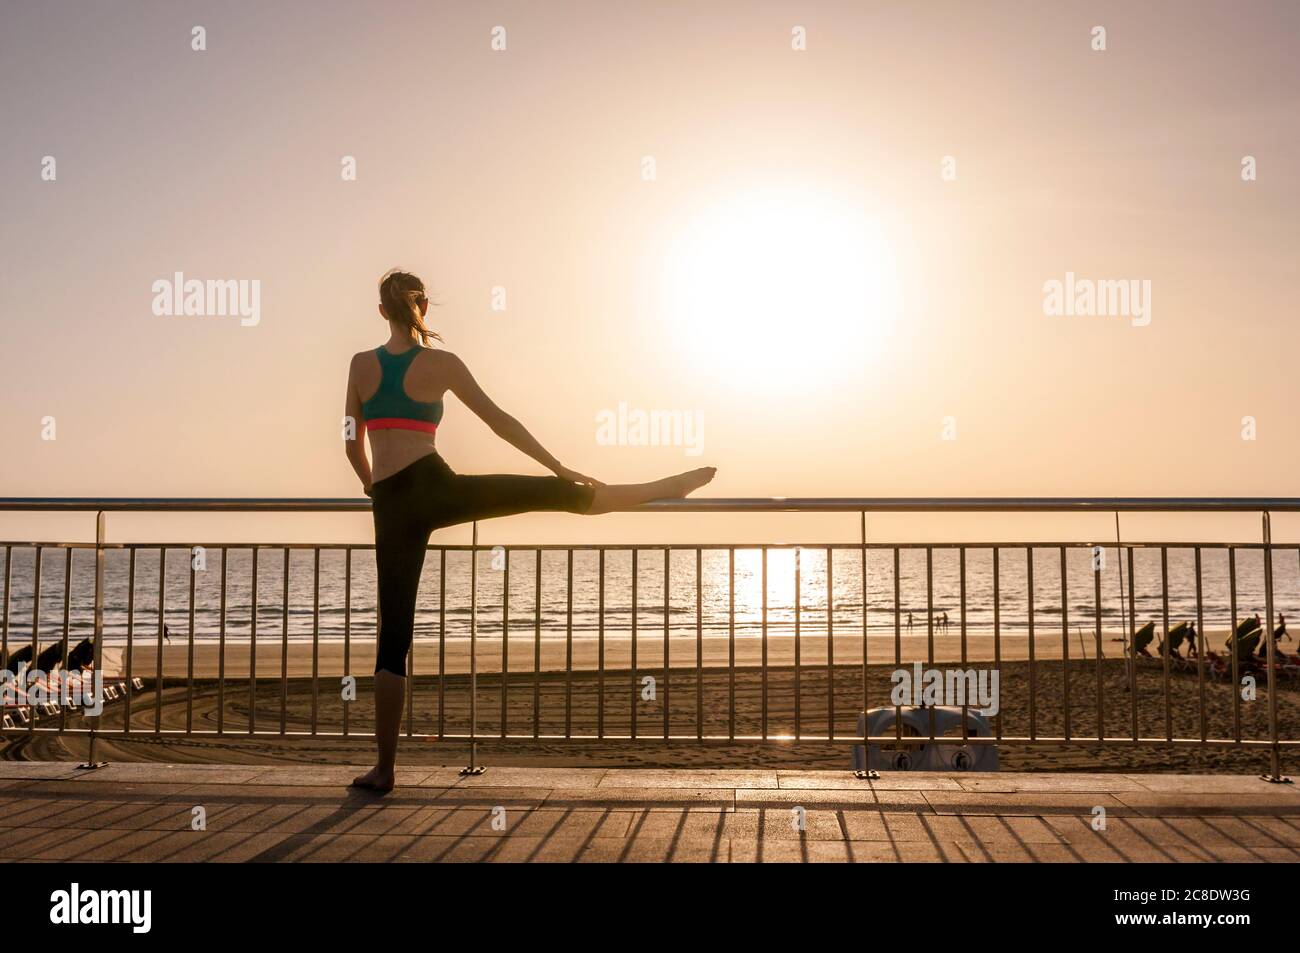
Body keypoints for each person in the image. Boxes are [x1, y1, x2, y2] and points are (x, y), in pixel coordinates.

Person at [345, 270, 716, 793]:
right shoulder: (442, 363)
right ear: (423, 305)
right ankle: (658, 488)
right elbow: (500, 422)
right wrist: (558, 464)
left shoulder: (361, 365)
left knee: (393, 638)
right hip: (437, 487)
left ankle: (384, 769)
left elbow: (348, 440)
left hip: (391, 503)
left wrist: (370, 485)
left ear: (382, 310)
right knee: (551, 492)